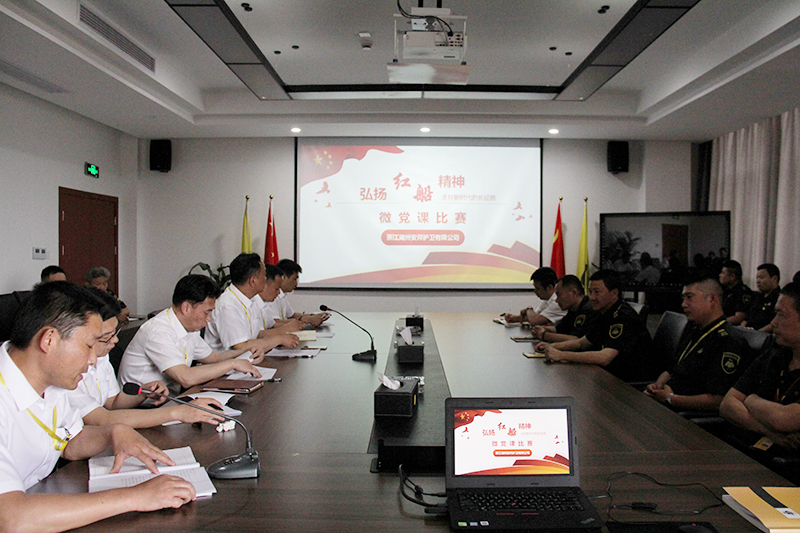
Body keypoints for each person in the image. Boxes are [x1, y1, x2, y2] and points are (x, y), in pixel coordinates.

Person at [0, 281, 196, 532]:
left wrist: (113, 433)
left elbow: (68, 442)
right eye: (88, 346)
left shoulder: (52, 382)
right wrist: (136, 497)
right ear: (49, 340)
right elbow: (11, 518)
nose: (93, 360)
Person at [70, 288, 225, 427]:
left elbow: (113, 403)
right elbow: (102, 419)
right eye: (106, 337)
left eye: (114, 333)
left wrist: (143, 392)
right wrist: (178, 413)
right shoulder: (68, 369)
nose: (115, 340)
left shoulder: (101, 355)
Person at [118, 274, 265, 393]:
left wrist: (247, 351)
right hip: (142, 406)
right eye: (207, 312)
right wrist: (233, 364)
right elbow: (186, 378)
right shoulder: (159, 331)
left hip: (169, 397)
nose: (209, 319)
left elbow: (214, 357)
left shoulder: (188, 327)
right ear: (186, 308)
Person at [644, 276, 749, 412]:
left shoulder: (728, 340)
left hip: (687, 414)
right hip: (668, 402)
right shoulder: (694, 330)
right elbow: (672, 369)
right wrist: (658, 385)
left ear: (712, 299)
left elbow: (718, 399)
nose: (684, 304)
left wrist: (670, 398)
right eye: (683, 298)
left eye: (690, 297)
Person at [534, 269, 656, 382]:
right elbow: (582, 342)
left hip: (629, 382)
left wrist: (562, 355)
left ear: (614, 294)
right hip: (609, 375)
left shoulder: (623, 316)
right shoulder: (603, 312)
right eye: (590, 292)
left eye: (597, 292)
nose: (592, 298)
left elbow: (604, 358)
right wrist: (554, 346)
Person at [720, 282, 800, 453]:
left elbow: (783, 419)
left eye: (781, 315)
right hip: (754, 453)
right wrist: (768, 431)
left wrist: (750, 399)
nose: (773, 322)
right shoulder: (775, 353)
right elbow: (727, 404)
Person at [204, 253, 300, 353]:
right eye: (264, 276)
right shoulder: (227, 305)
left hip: (249, 359)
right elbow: (240, 346)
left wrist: (283, 333)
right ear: (253, 281)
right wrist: (278, 339)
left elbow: (258, 335)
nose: (266, 280)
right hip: (228, 361)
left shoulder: (251, 300)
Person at [532, 275, 596, 343]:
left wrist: (544, 335)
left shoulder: (588, 310)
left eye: (559, 295)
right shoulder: (573, 309)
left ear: (574, 292)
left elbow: (577, 340)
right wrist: (542, 329)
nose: (556, 300)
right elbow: (559, 329)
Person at [266, 259, 329, 327]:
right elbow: (274, 322)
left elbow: (292, 315)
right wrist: (307, 319)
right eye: (294, 279)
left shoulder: (283, 295)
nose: (296, 284)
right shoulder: (271, 296)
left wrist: (313, 316)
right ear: (284, 277)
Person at [742, 263, 780, 332]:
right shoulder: (758, 297)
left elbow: (775, 324)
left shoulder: (779, 299)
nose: (758, 281)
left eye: (761, 277)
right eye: (757, 278)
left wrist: (756, 334)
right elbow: (747, 317)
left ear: (774, 279)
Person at [718, 260, 752, 325]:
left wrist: (718, 323)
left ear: (732, 277)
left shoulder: (742, 292)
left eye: (723, 273)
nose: (720, 275)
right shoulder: (726, 290)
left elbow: (739, 317)